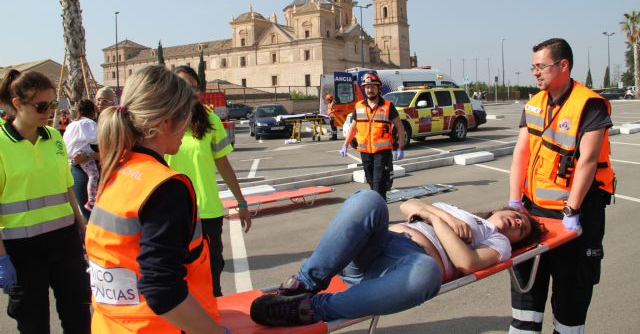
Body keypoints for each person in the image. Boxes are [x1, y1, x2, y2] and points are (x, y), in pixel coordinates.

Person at [250, 189, 544, 326]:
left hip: (407, 267)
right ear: (502, 209)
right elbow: (410, 205)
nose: (518, 223)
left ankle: (310, 308)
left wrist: (436, 220)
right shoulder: (463, 213)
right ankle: (303, 284)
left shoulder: (498, 242)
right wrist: (433, 212)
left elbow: (466, 262)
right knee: (370, 199)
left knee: (427, 272)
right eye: (518, 217)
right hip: (382, 243)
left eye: (523, 229)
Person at [84, 65, 229, 333]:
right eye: (186, 116)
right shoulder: (165, 188)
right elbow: (162, 290)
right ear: (165, 122)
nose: (188, 124)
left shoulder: (117, 168)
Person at [507, 38, 614, 333]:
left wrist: (572, 209)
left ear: (563, 66)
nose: (535, 73)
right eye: (533, 67)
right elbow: (521, 154)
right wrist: (515, 201)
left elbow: (588, 161)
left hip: (575, 217)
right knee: (525, 298)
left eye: (541, 66)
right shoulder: (534, 103)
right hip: (533, 214)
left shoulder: (588, 105)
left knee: (570, 299)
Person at [0, 69, 91, 333]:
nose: (48, 111)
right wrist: (2, 258)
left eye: (52, 104)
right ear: (17, 104)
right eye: (41, 105)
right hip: (22, 251)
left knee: (78, 317)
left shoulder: (54, 138)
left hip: (64, 243)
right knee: (34, 323)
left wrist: (82, 228)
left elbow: (66, 189)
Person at [165, 65, 251, 297]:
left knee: (212, 275)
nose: (191, 92)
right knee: (178, 278)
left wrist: (241, 203)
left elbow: (223, 164)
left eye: (195, 87)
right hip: (172, 214)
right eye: (184, 85)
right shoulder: (160, 122)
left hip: (207, 213)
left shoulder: (210, 120)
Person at [340, 72, 406, 199]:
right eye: (367, 87)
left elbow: (399, 126)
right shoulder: (358, 106)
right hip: (365, 153)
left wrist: (400, 147)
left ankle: (380, 215)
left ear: (378, 88)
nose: (370, 90)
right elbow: (353, 128)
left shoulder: (387, 106)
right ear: (364, 89)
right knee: (371, 183)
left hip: (382, 153)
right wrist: (345, 144)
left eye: (373, 87)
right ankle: (379, 209)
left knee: (378, 186)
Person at [70, 86, 117, 220]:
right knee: (87, 213)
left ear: (113, 103)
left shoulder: (116, 123)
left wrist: (89, 156)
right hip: (80, 169)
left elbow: (114, 151)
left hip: (105, 171)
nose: (100, 103)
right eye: (98, 100)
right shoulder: (87, 122)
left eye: (105, 100)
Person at [63, 99, 100, 210]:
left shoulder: (71, 125)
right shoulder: (89, 123)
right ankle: (91, 200)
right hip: (83, 156)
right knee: (94, 175)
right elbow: (97, 138)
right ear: (92, 112)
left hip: (71, 157)